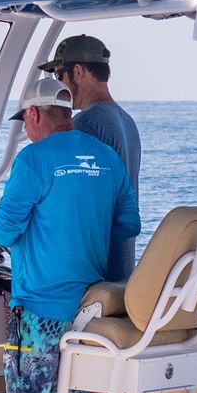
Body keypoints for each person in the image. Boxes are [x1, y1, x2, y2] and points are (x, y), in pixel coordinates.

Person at [0, 74, 138, 393]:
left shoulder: (33, 160)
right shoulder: (107, 157)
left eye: (25, 121)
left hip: (41, 310)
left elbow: (3, 233)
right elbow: (128, 224)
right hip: (87, 311)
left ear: (33, 114)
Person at [41, 33, 141, 280]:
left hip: (92, 275)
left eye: (58, 75)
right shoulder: (126, 121)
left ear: (77, 72)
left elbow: (68, 204)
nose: (58, 85)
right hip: (120, 269)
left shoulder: (87, 123)